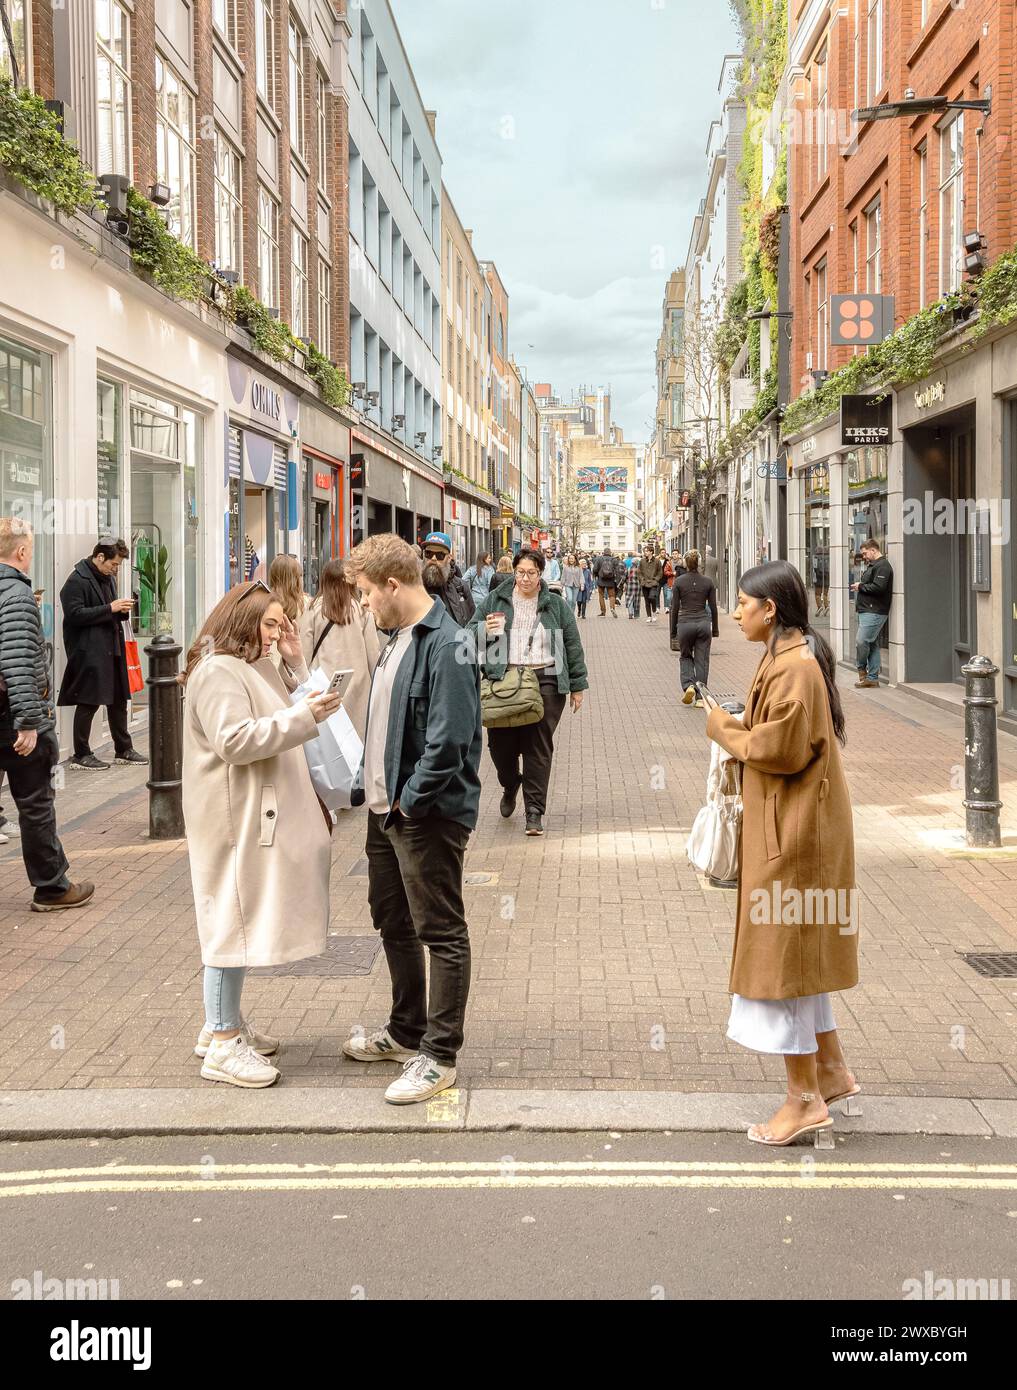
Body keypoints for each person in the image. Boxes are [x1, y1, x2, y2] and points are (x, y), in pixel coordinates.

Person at [700, 560, 858, 1146]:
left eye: (742, 603)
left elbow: (782, 750)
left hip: (795, 835)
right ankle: (834, 1071)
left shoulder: (793, 669)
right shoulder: (787, 657)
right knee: (801, 950)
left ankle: (803, 1099)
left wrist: (723, 728)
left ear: (771, 610)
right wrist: (741, 723)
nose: (735, 612)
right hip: (795, 825)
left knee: (784, 961)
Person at [182, 579, 343, 1088]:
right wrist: (300, 716)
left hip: (251, 813)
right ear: (241, 621)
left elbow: (295, 704)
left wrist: (295, 660)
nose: (276, 632)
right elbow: (234, 741)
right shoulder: (217, 672)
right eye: (269, 624)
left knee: (239, 919)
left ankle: (221, 1026)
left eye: (280, 623)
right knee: (231, 922)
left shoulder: (248, 665)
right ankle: (224, 1043)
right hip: (235, 818)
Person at [343, 534, 482, 1105]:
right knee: (393, 923)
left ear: (394, 586)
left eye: (367, 594)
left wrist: (410, 801)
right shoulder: (397, 636)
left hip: (422, 815)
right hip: (385, 812)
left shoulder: (449, 644)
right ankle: (406, 1032)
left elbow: (450, 741)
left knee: (441, 931)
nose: (364, 605)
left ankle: (440, 1055)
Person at [0, 518, 94, 912]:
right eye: (32, 549)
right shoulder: (17, 596)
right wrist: (28, 722)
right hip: (13, 719)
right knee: (36, 803)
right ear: (21, 552)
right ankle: (52, 887)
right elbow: (18, 661)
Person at [469, 549, 587, 837]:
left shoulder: (555, 605)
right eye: (520, 572)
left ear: (540, 574)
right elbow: (468, 631)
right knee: (501, 746)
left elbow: (571, 643)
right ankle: (511, 784)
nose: (525, 578)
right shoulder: (496, 599)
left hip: (545, 678)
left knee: (537, 745)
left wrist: (577, 685)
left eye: (531, 573)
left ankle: (534, 811)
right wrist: (484, 628)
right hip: (504, 678)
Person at [58, 539, 148, 771]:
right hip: (89, 651)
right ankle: (81, 754)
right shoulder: (76, 581)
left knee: (118, 700)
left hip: (111, 647)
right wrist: (111, 608)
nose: (115, 569)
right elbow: (74, 615)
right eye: (114, 564)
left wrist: (121, 611)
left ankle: (123, 749)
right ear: (100, 557)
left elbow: (108, 611)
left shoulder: (107, 578)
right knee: (89, 701)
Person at [299, 557, 380, 740]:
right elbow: (373, 654)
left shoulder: (314, 609)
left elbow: (304, 654)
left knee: (329, 748)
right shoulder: (361, 610)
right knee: (355, 746)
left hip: (324, 692)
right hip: (358, 692)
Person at [671, 549, 719, 706]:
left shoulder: (679, 581)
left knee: (685, 656)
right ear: (699, 563)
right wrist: (715, 629)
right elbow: (713, 607)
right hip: (703, 623)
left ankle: (688, 685)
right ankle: (701, 698)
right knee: (702, 661)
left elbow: (674, 608)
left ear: (685, 563)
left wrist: (673, 631)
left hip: (685, 624)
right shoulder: (708, 582)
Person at [851, 540, 892, 688]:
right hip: (867, 610)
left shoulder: (883, 566)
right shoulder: (874, 565)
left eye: (865, 553)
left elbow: (879, 588)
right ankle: (872, 678)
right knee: (872, 644)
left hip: (874, 611)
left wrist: (860, 586)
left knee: (861, 641)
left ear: (873, 550)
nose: (864, 556)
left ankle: (861, 669)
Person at [421, 531, 475, 626]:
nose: (433, 559)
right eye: (429, 553)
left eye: (439, 555)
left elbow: (473, 623)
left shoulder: (460, 587)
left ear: (449, 558)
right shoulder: (413, 587)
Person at [269, 553, 311, 623]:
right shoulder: (306, 604)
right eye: (300, 576)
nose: (302, 579)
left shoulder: (265, 602)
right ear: (296, 579)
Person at [638, 547, 664, 624]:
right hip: (644, 583)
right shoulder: (642, 561)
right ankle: (649, 616)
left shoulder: (657, 561)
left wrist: (656, 579)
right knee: (646, 601)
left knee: (652, 597)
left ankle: (654, 612)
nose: (645, 552)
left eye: (646, 551)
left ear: (651, 552)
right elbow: (639, 572)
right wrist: (642, 579)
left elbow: (660, 572)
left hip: (653, 583)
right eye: (644, 551)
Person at [593, 547, 620, 617]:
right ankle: (612, 608)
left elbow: (595, 569)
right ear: (610, 552)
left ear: (603, 552)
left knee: (601, 596)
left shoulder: (599, 559)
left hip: (601, 579)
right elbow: (617, 571)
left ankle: (603, 611)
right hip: (610, 580)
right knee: (612, 595)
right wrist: (617, 580)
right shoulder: (614, 560)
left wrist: (597, 575)